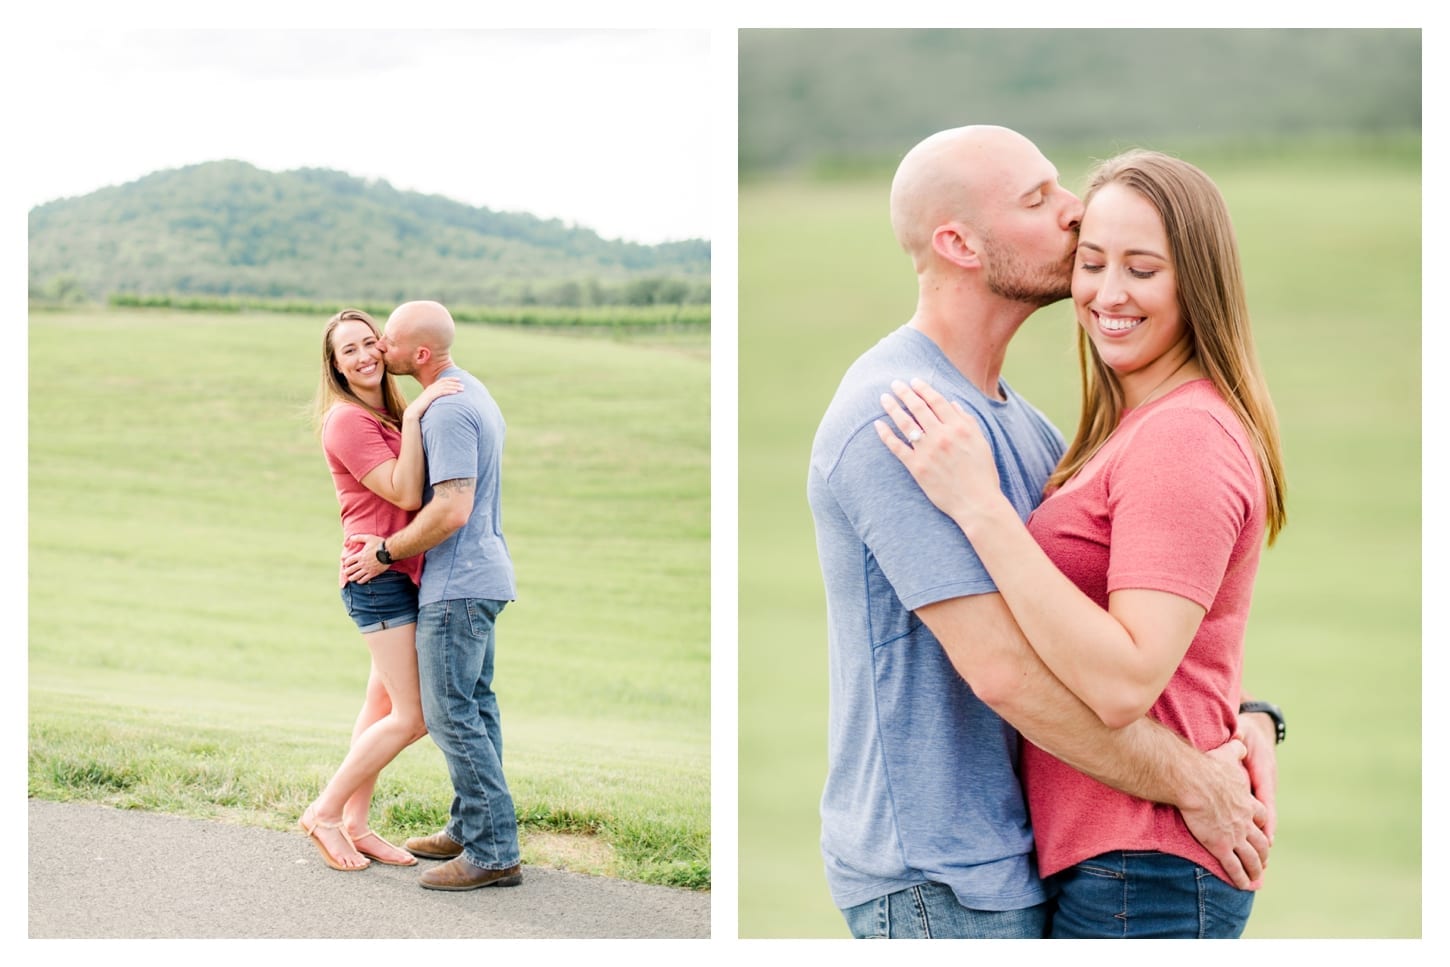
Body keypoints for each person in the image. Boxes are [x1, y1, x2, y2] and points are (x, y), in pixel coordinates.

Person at [806, 125, 1281, 939]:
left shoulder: (1026, 428)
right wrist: (1193, 779)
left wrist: (1251, 716)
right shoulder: (905, 420)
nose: (1074, 213)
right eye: (1039, 198)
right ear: (957, 242)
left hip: (1037, 857)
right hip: (939, 872)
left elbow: (1128, 622)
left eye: (1141, 265)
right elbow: (1007, 672)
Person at [341, 300, 524, 892]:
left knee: (451, 717)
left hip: (457, 585)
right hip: (481, 577)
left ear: (418, 353)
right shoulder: (469, 389)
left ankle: (494, 853)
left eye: (387, 341)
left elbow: (451, 508)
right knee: (477, 708)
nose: (379, 351)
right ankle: (472, 828)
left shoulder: (444, 411)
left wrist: (386, 552)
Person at [300, 307, 461, 872]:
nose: (365, 355)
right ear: (336, 368)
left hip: (397, 574)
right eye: (350, 350)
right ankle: (323, 813)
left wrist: (408, 414)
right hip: (377, 581)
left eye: (371, 343)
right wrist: (419, 413)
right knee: (414, 717)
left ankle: (356, 824)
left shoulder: (386, 414)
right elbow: (402, 493)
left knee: (381, 705)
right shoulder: (348, 421)